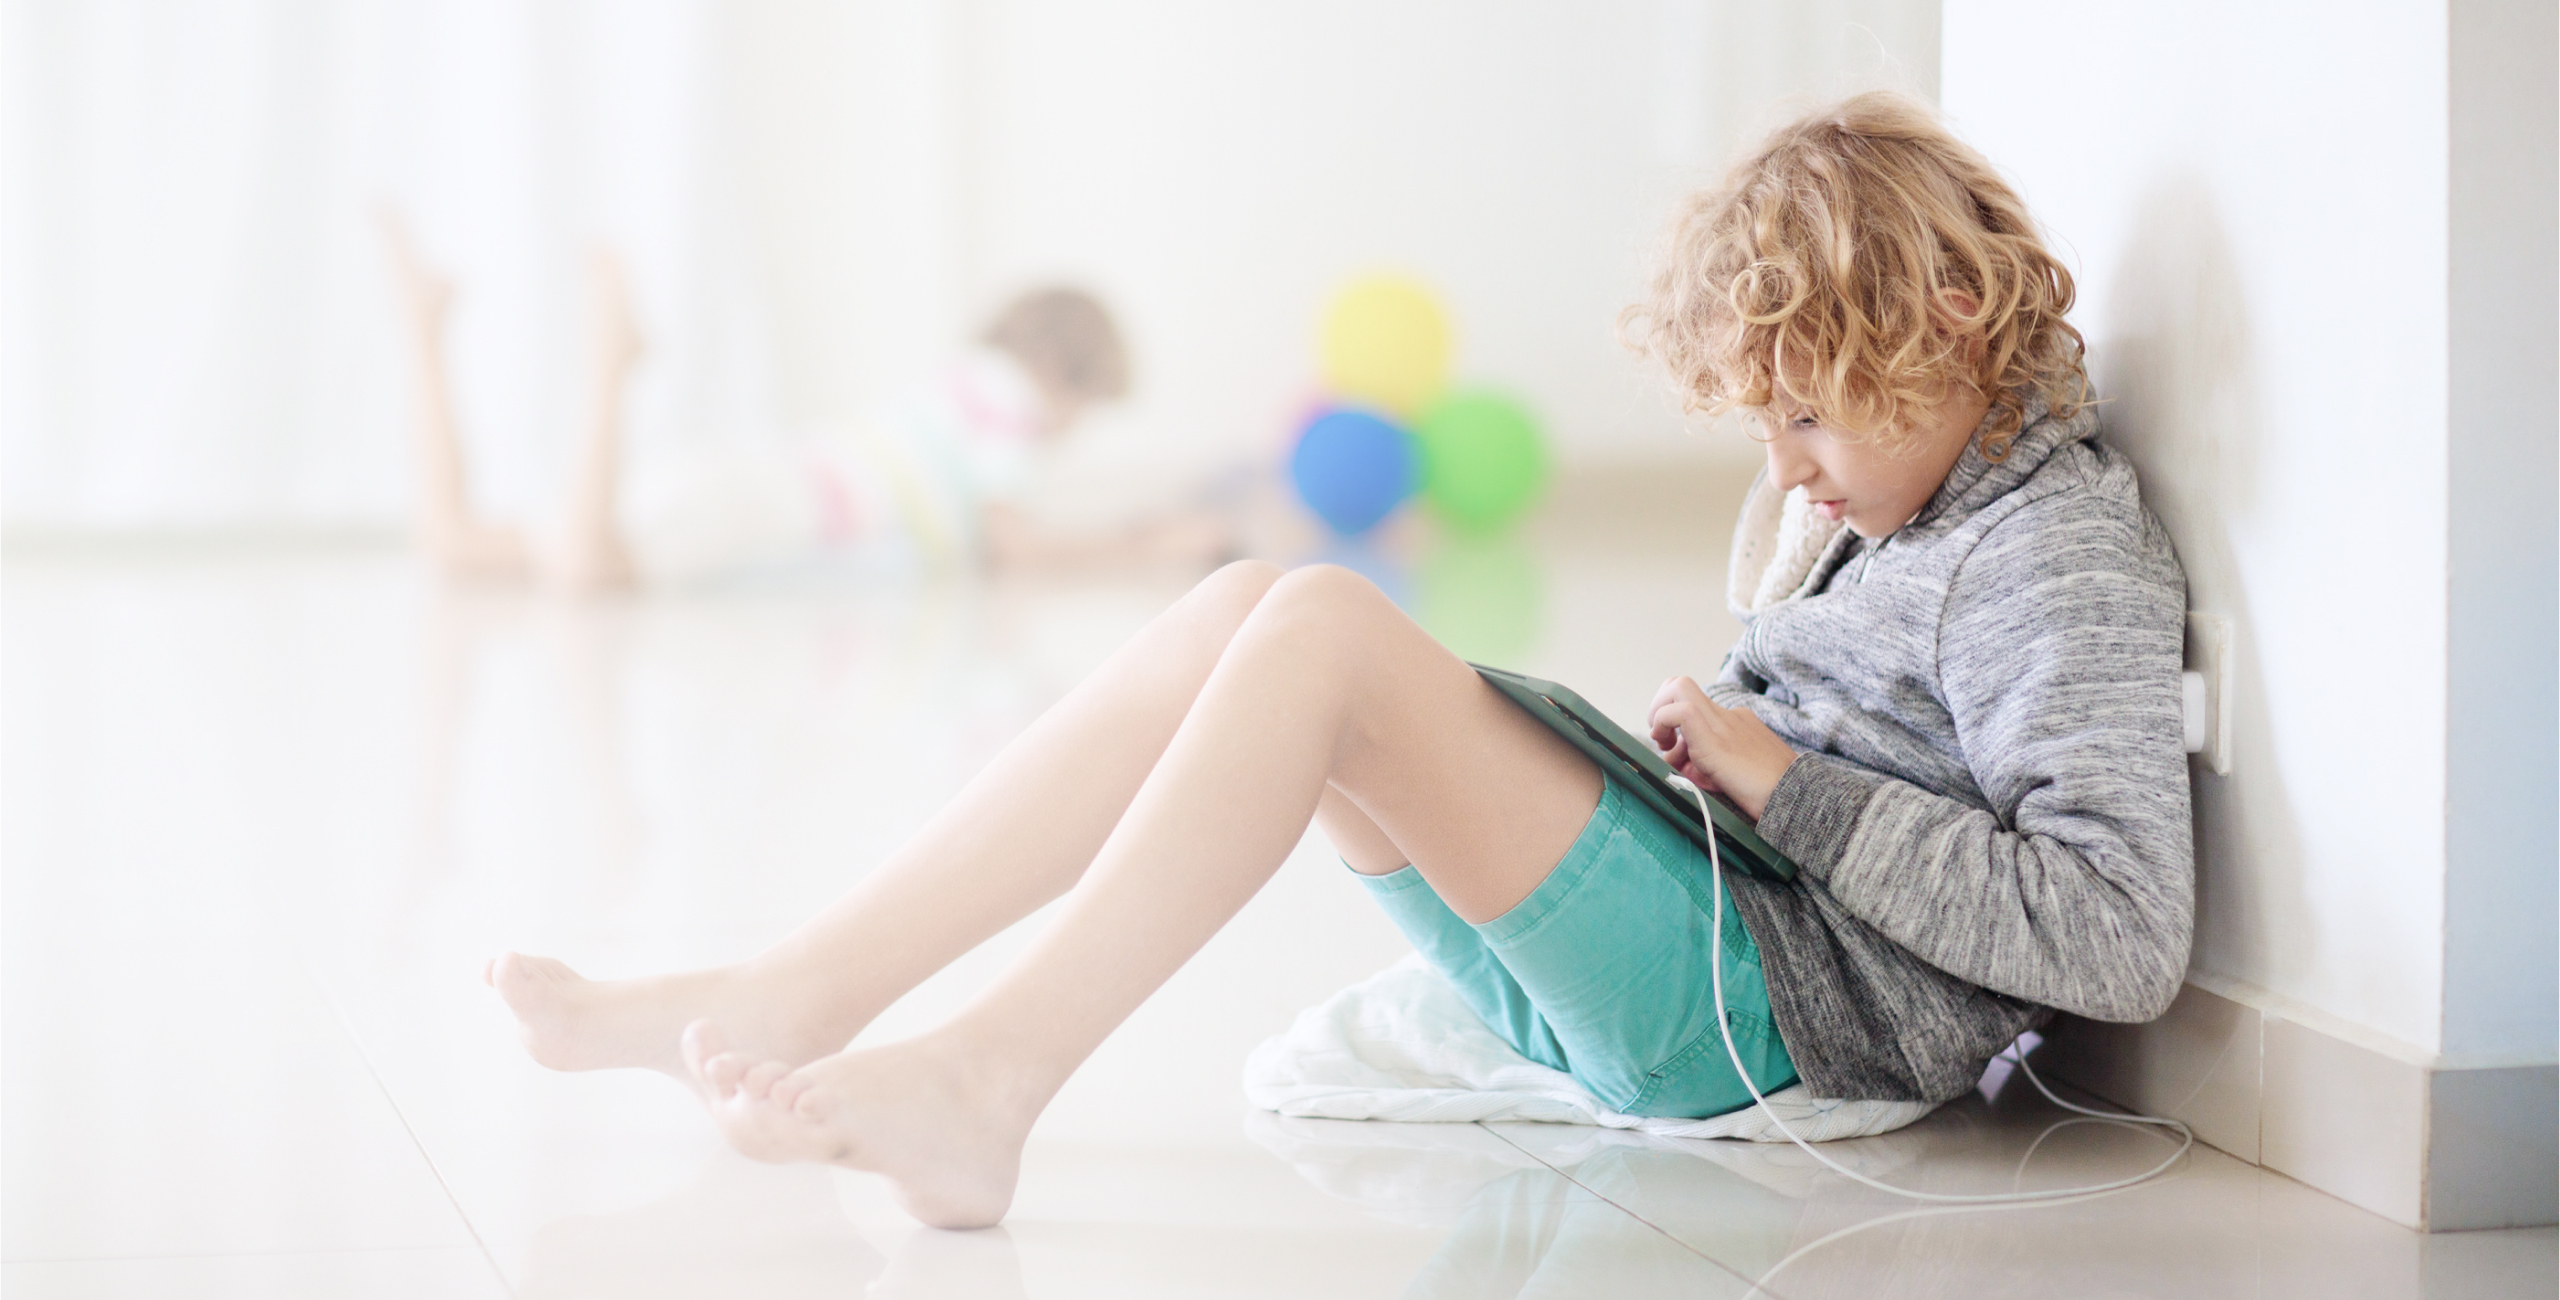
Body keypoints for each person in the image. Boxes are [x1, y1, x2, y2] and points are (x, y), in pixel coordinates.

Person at [483, 91, 2193, 1229]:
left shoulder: (2050, 550)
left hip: (1770, 1009)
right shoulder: (1913, 509)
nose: (1785, 470)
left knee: (1315, 628)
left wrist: (1788, 787)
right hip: (1719, 930)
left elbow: (2119, 938)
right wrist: (1750, 767)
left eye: (1804, 415)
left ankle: (986, 1079)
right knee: (1251, 610)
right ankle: (800, 988)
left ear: (1951, 328)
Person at [380, 216, 1229, 590]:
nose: (1071, 438)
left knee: (457, 545)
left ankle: (423, 330)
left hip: (739, 481)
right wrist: (1147, 545)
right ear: (1061, 372)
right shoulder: (1010, 400)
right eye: (1086, 409)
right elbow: (1016, 546)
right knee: (590, 572)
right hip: (767, 509)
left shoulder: (965, 387)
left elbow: (1007, 518)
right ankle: (611, 359)